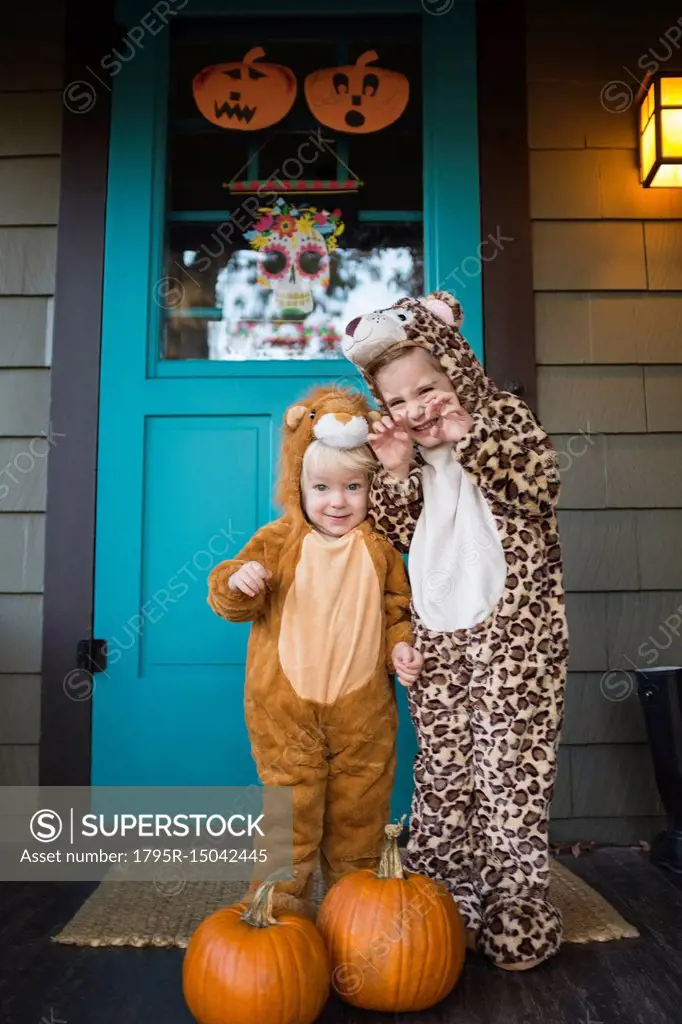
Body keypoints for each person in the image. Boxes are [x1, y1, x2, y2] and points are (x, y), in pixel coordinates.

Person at [341, 290, 568, 970]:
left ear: (459, 373)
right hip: (440, 638)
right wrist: (394, 469)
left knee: (510, 772)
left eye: (429, 388)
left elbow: (536, 486)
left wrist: (469, 434)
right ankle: (444, 895)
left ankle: (517, 901)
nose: (419, 409)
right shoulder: (412, 458)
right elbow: (397, 531)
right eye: (400, 401)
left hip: (514, 640)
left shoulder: (501, 421)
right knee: (443, 773)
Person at [207, 384, 423, 917]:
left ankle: (357, 910)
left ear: (372, 489)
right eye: (322, 487)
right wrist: (240, 581)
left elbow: (398, 611)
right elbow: (224, 592)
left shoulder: (380, 548)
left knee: (360, 813)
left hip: (363, 714)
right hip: (286, 712)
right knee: (292, 816)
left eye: (354, 487)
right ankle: (277, 908)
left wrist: (402, 650)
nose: (338, 501)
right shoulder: (277, 541)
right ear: (299, 486)